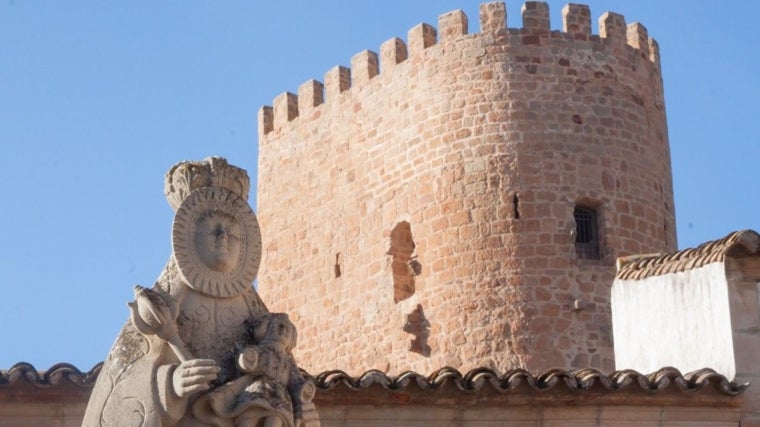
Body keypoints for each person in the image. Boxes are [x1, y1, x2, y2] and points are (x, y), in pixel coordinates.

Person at [83, 158, 318, 427]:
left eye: (232, 232)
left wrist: (305, 413)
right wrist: (171, 385)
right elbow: (121, 393)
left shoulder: (260, 319)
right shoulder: (168, 301)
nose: (223, 237)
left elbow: (288, 388)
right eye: (212, 229)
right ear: (190, 235)